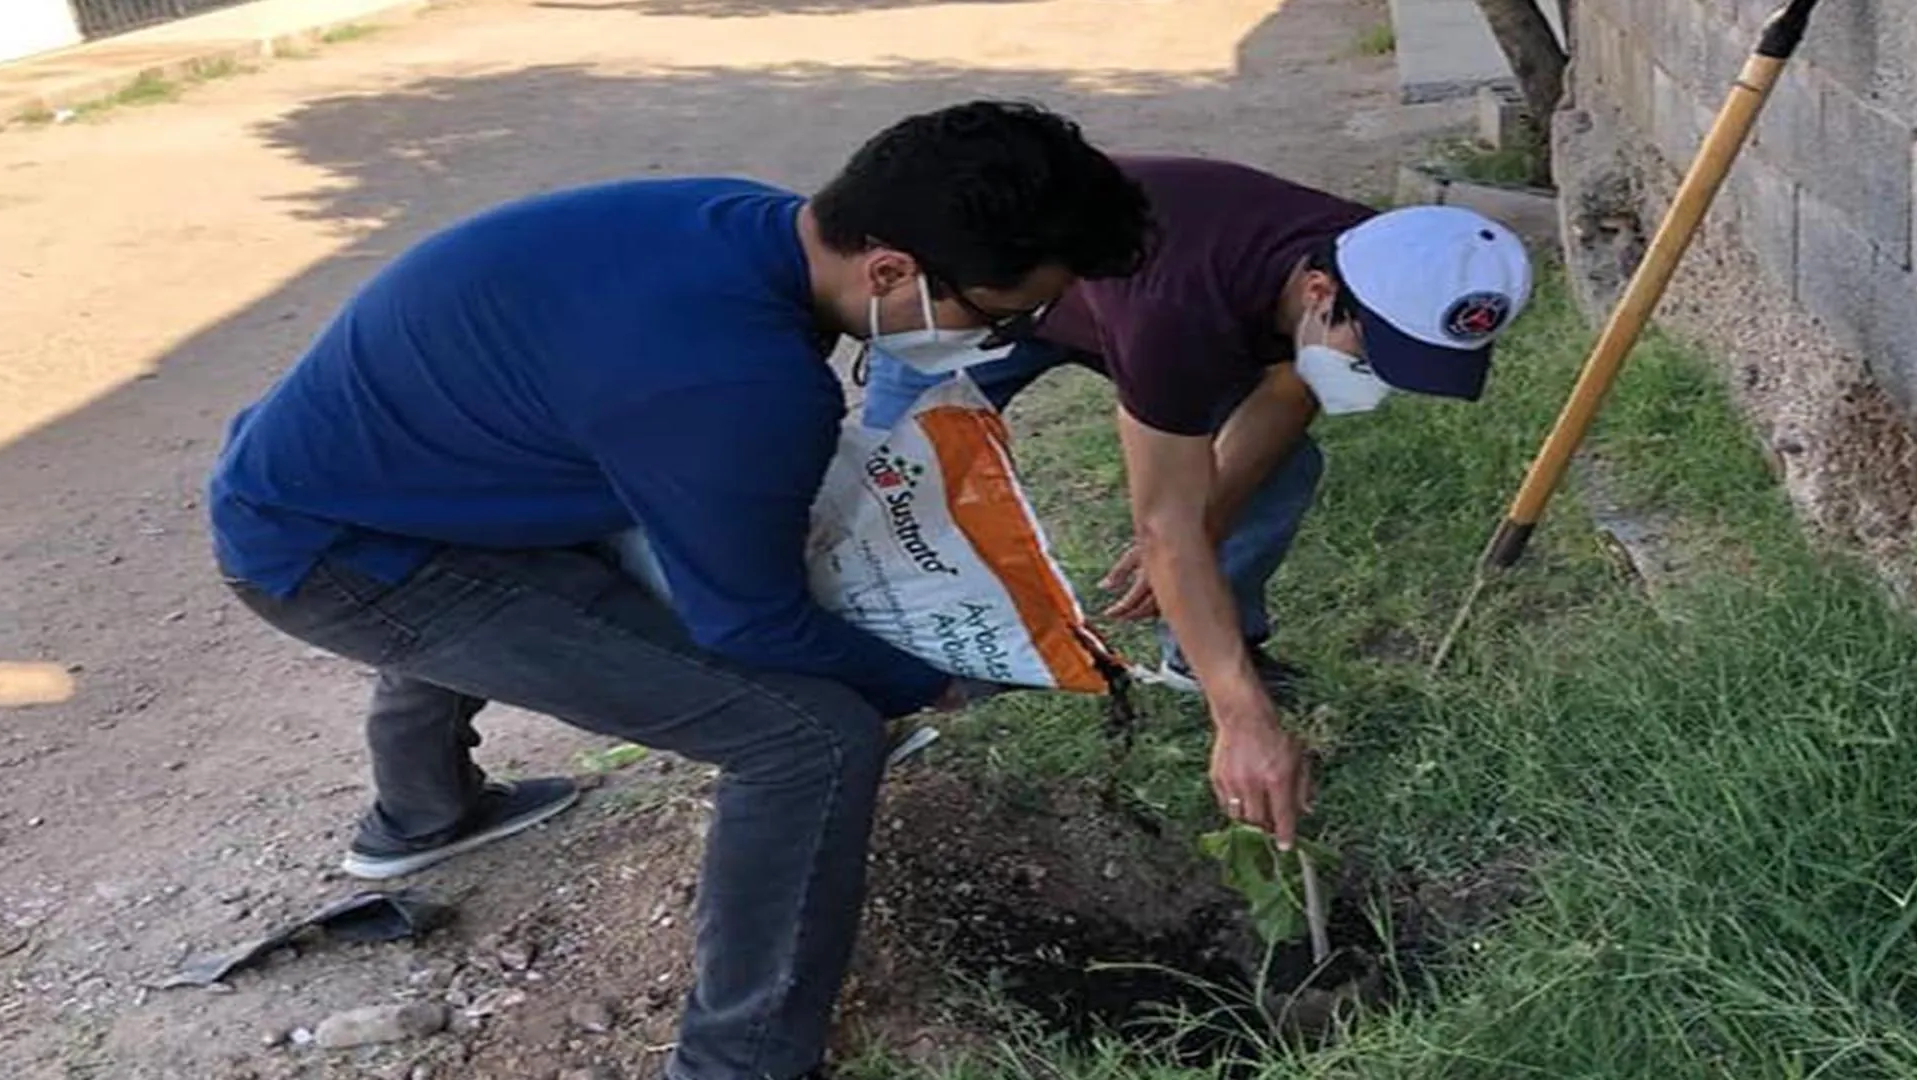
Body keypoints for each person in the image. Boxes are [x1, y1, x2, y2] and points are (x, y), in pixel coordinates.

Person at [206, 100, 1152, 1080]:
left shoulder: (745, 220)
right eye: (996, 317)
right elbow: (747, 621)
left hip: (373, 474)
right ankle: (739, 1061)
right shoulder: (738, 382)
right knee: (807, 737)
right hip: (336, 553)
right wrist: (924, 680)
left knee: (593, 571)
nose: (1007, 340)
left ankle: (421, 813)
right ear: (889, 271)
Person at [860, 155, 1533, 851]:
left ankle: (1203, 656)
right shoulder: (1177, 310)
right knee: (893, 504)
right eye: (1373, 353)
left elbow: (1286, 390)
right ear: (1317, 290)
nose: (1376, 379)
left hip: (1110, 301)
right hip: (969, 300)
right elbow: (1165, 520)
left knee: (1276, 467)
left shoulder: (1383, 257)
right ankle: (877, 700)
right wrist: (1241, 717)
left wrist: (1201, 540)